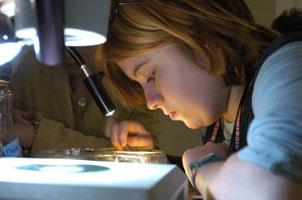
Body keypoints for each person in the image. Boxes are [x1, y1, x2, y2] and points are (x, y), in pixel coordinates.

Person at [97, 0, 302, 199]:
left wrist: (201, 169)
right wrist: (158, 164)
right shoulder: (218, 119)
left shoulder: (287, 65)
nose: (151, 102)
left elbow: (268, 189)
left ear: (204, 40)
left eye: (151, 76)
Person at [10, 46, 161, 155]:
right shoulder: (32, 65)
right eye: (59, 38)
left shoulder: (133, 74)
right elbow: (8, 133)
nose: (68, 52)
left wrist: (36, 135)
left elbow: (142, 154)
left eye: (78, 42)